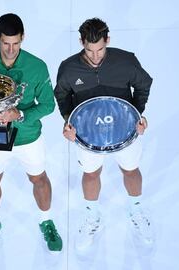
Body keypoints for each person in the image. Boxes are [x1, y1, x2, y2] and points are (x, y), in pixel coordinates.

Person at [0, 13, 62, 255]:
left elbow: (48, 105)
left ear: (23, 38)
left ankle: (46, 221)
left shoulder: (37, 66)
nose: (10, 49)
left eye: (16, 43)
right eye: (6, 43)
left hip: (28, 136)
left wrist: (21, 115)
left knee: (39, 178)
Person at [54, 18, 153, 251]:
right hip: (87, 133)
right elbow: (61, 96)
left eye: (100, 49)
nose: (95, 56)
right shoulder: (68, 68)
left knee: (130, 170)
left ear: (107, 40)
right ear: (81, 43)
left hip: (125, 128)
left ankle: (136, 209)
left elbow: (143, 85)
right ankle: (92, 217)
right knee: (90, 174)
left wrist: (138, 114)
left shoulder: (126, 61)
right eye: (89, 50)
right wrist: (69, 121)